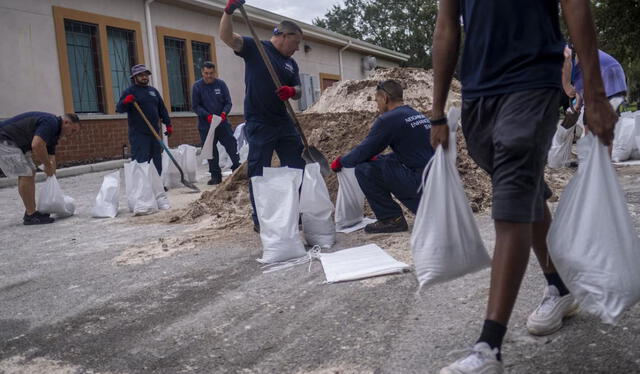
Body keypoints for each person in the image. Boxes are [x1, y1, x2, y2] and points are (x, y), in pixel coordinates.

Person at [430, 1, 617, 373]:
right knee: (520, 188)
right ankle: (560, 288)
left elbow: (576, 8)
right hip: (479, 92)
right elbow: (446, 26)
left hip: (533, 81)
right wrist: (437, 112)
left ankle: (489, 348)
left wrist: (594, 94)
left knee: (511, 198)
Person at [219, 0, 305, 232]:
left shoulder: (291, 64)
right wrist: (229, 11)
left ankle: (294, 212)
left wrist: (291, 91)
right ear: (284, 36)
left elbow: (299, 90)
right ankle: (261, 219)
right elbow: (227, 37)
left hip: (284, 122)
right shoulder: (255, 47)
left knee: (298, 165)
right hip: (259, 122)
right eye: (295, 43)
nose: (296, 48)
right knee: (259, 171)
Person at [330, 80, 434, 233]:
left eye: (377, 100)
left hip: (419, 184)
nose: (377, 104)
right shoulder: (415, 114)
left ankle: (391, 219)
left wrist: (341, 161)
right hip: (437, 183)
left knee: (364, 169)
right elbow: (411, 151)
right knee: (383, 159)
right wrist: (377, 158)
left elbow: (363, 151)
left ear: (385, 98)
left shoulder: (388, 119)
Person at [0, 112, 80, 225]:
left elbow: (51, 157)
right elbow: (37, 145)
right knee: (26, 173)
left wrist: (52, 177)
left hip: (12, 142)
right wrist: (47, 166)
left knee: (29, 171)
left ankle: (31, 212)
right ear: (66, 122)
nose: (71, 134)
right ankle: (30, 215)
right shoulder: (51, 123)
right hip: (4, 139)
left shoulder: (55, 133)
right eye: (73, 130)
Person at [116, 64, 171, 176]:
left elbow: (162, 109)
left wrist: (168, 124)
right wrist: (126, 101)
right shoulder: (130, 91)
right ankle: (142, 186)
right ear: (134, 77)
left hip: (154, 132)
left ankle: (157, 185)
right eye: (140, 75)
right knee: (141, 160)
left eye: (145, 75)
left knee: (156, 159)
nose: (144, 77)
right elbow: (119, 108)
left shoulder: (153, 91)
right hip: (138, 133)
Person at [192, 61, 240, 185]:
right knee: (211, 151)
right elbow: (195, 106)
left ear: (215, 72)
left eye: (211, 73)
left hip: (222, 123)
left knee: (231, 146)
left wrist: (224, 113)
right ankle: (215, 176)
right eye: (206, 73)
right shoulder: (197, 87)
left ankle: (237, 170)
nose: (209, 76)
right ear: (202, 72)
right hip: (206, 125)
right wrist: (206, 116)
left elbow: (228, 102)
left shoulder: (221, 84)